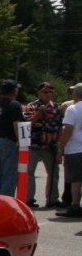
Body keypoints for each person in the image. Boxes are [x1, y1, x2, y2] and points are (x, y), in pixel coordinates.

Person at [24, 81, 62, 208]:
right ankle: (29, 199)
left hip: (50, 146)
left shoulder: (56, 107)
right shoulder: (31, 106)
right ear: (39, 93)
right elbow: (27, 123)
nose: (48, 94)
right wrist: (39, 113)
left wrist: (59, 146)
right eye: (45, 91)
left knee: (53, 173)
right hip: (33, 144)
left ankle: (52, 199)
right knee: (30, 172)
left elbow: (60, 127)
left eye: (50, 91)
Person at [0, 79, 23, 197]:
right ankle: (5, 202)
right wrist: (21, 142)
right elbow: (16, 125)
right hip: (8, 142)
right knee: (9, 176)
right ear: (14, 90)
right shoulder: (14, 105)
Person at [56, 83, 82, 217]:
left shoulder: (72, 109)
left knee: (76, 179)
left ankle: (75, 206)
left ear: (76, 94)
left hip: (75, 148)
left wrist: (60, 149)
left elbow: (68, 131)